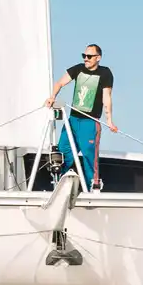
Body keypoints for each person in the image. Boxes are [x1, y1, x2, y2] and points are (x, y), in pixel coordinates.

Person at [47, 45, 115, 188]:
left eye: (89, 56)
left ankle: (93, 186)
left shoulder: (105, 73)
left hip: (90, 122)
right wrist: (52, 97)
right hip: (72, 120)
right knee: (63, 153)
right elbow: (60, 82)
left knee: (89, 156)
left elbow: (106, 97)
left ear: (98, 58)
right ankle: (58, 184)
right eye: (84, 55)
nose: (86, 59)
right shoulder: (78, 69)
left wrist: (109, 120)